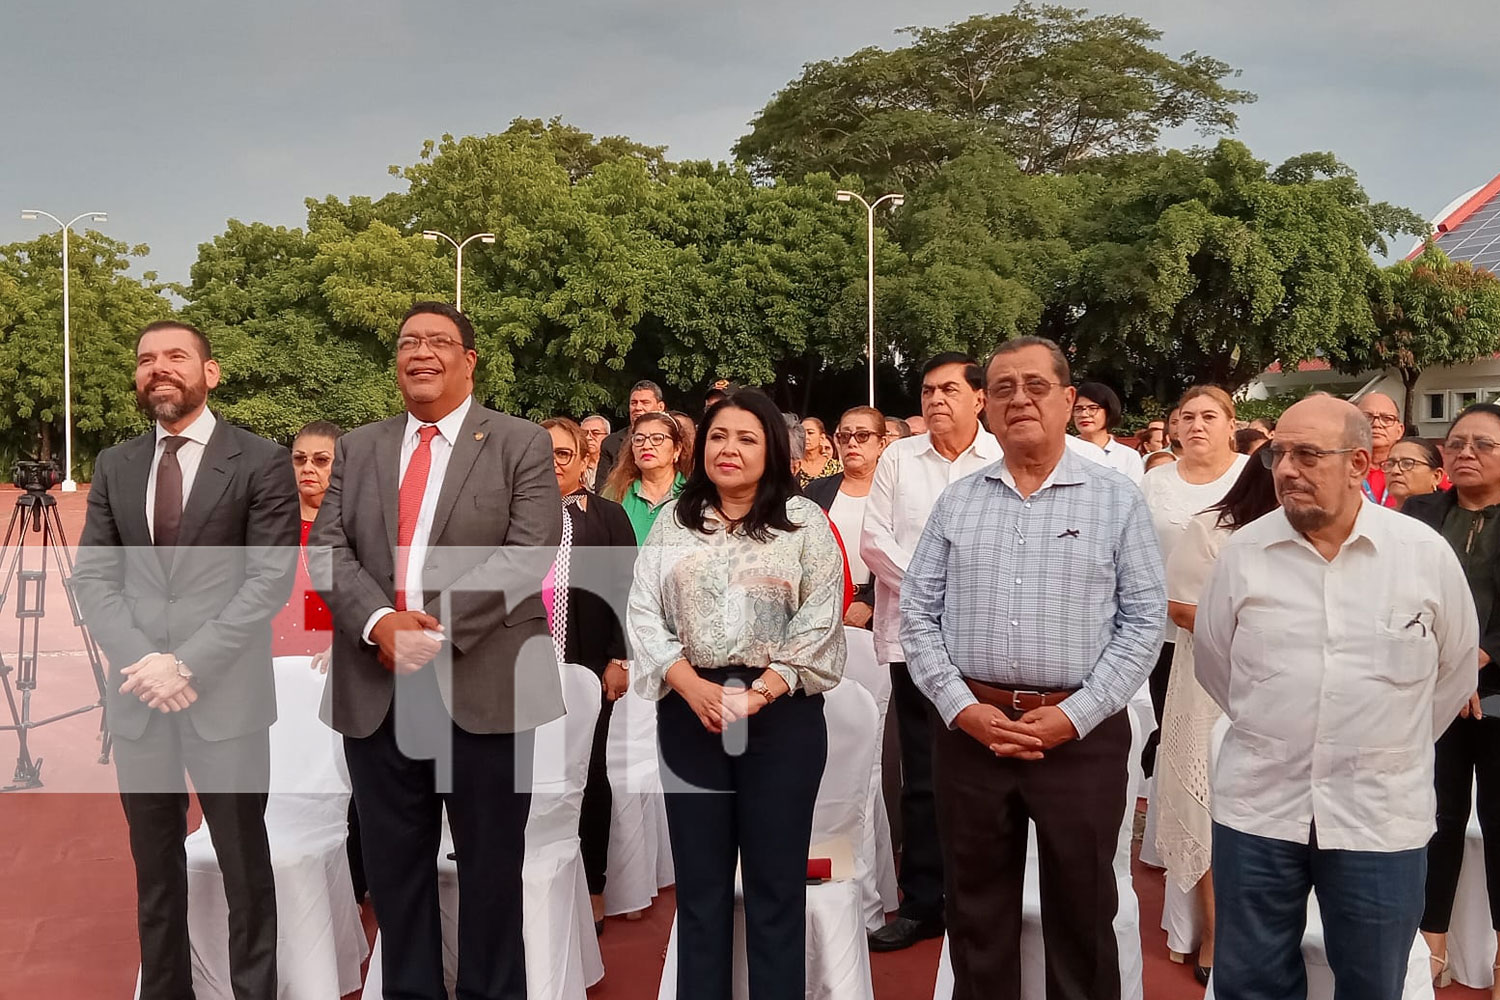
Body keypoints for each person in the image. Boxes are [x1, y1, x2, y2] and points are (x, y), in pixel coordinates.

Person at [309, 301, 562, 1000]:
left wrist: (429, 627)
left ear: (469, 359)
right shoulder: (359, 447)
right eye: (407, 342)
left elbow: (526, 554)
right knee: (396, 876)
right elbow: (328, 552)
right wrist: (380, 625)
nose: (420, 352)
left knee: (488, 876)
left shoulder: (518, 443)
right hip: (377, 687)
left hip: (484, 687)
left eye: (438, 341)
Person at [901, 336, 1166, 1000]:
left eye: (1037, 386)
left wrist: (1072, 718)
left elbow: (1143, 623)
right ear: (986, 406)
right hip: (971, 736)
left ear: (1070, 400)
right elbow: (917, 616)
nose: (1020, 399)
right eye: (1004, 388)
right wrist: (962, 708)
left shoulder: (1116, 500)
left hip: (1079, 740)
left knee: (1081, 912)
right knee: (976, 911)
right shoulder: (958, 503)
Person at [1194, 394, 1478, 1000]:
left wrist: (1381, 743)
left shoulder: (1423, 556)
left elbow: (1452, 675)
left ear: (1358, 462)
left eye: (1307, 454)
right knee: (1250, 983)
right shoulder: (1243, 554)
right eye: (1278, 454)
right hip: (1260, 810)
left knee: (1374, 983)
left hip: (1379, 816)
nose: (1287, 469)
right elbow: (1216, 666)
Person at [73, 319, 300, 1000]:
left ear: (212, 372)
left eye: (176, 356)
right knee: (156, 872)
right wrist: (146, 661)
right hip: (140, 699)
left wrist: (187, 664)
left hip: (225, 701)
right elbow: (94, 578)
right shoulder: (116, 464)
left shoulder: (260, 460)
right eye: (146, 359)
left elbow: (268, 580)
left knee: (243, 870)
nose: (158, 368)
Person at [627, 388, 847, 1000]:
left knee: (775, 891)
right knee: (700, 893)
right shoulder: (676, 518)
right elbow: (642, 611)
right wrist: (691, 685)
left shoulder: (803, 523)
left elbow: (822, 616)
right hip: (689, 711)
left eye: (747, 438)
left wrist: (763, 692)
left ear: (773, 448)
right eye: (719, 436)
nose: (730, 449)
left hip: (780, 718)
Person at [860, 352, 1000, 951]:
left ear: (979, 399)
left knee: (984, 776)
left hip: (988, 644)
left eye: (948, 389)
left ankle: (980, 900)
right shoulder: (897, 457)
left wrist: (953, 589)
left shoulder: (1001, 459)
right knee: (921, 778)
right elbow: (873, 540)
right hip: (913, 640)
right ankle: (921, 903)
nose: (935, 399)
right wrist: (933, 586)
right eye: (927, 390)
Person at [1153, 455, 1279, 983]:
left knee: (1276, 813)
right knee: (1208, 810)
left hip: (1289, 692)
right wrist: (1260, 626)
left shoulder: (1326, 529)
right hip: (1212, 683)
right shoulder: (1213, 527)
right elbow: (1180, 607)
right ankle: (1213, 932)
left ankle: (1274, 934)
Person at [1405, 404, 1500, 991]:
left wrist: (1475, 660)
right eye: (1456, 442)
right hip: (1431, 693)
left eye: (1483, 444)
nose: (1465, 452)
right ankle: (1430, 951)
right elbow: (1403, 596)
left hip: (1496, 692)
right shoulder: (1419, 514)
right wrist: (1449, 669)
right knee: (1431, 821)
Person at [541, 416, 637, 932]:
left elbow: (627, 590)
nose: (552, 462)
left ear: (584, 461)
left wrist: (618, 658)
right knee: (524, 776)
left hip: (588, 667)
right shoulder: (513, 516)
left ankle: (593, 885)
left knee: (587, 773)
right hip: (522, 670)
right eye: (544, 453)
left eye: (562, 453)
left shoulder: (607, 517)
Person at [267, 420, 368, 902]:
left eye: (321, 460)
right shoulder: (271, 525)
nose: (308, 468)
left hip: (336, 671)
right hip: (276, 672)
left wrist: (346, 643)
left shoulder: (356, 528)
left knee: (345, 783)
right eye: (299, 459)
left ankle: (350, 887)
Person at [1139, 386, 1248, 779]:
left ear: (1231, 425)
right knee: (1176, 742)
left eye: (1208, 417)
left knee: (1230, 742)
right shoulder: (1155, 481)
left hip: (1239, 635)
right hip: (1166, 633)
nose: (1197, 425)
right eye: (1187, 417)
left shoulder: (1252, 476)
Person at [805, 406, 887, 629]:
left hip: (882, 611)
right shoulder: (816, 491)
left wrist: (870, 603)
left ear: (882, 444)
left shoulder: (897, 492)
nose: (852, 443)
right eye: (844, 436)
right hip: (826, 607)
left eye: (862, 436)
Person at [602, 411, 690, 544]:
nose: (646, 446)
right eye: (639, 439)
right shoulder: (615, 493)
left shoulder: (693, 496)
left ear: (677, 449)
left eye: (657, 438)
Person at [596, 379, 668, 486]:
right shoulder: (611, 443)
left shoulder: (671, 439)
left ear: (660, 407)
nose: (638, 408)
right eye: (633, 403)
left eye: (645, 403)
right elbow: (601, 488)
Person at [1071, 381, 1144, 484]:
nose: (1084, 414)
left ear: (1109, 411)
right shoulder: (1064, 451)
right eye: (1078, 409)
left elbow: (1134, 494)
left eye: (1092, 408)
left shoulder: (1128, 456)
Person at [1357, 392, 1405, 506]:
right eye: (1367, 417)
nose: (1377, 424)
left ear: (1399, 431)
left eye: (1387, 418)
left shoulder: (1416, 469)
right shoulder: (1340, 469)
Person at [1383, 437, 1444, 509]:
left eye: (1407, 464)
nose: (1395, 471)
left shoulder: (1449, 517)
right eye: (1390, 464)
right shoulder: (1377, 517)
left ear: (1436, 476)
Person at [798, 417, 842, 487]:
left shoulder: (835, 467)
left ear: (822, 438)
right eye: (802, 433)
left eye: (810, 433)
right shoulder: (793, 465)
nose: (805, 437)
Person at [580, 415, 610, 491]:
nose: (588, 437)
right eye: (584, 433)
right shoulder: (575, 465)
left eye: (595, 433)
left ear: (607, 437)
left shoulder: (614, 465)